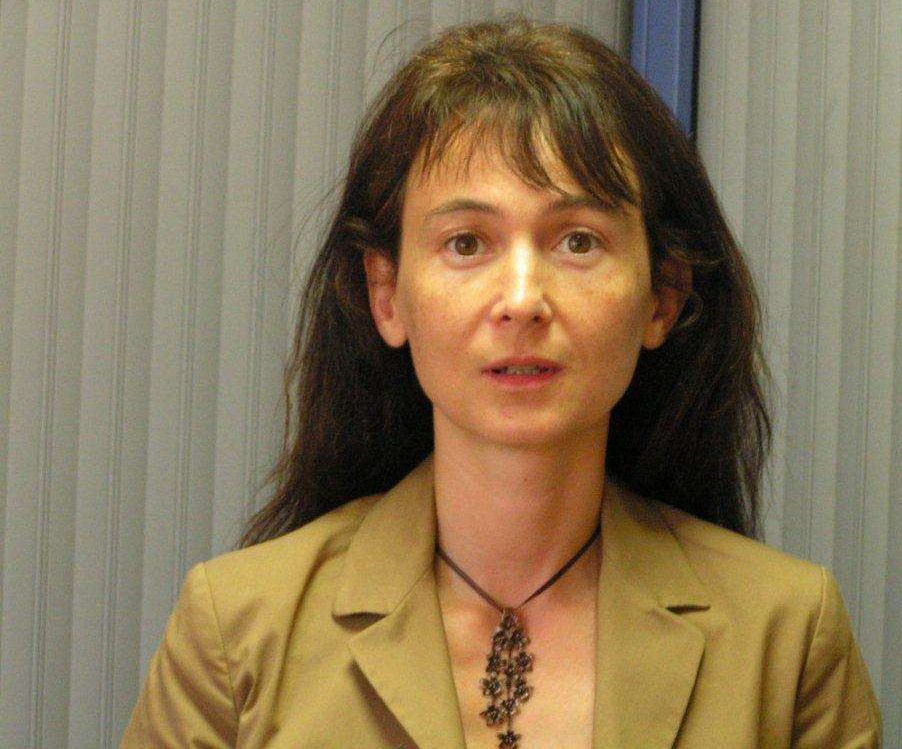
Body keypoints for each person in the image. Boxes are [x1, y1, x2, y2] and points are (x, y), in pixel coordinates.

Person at [121, 13, 883, 749]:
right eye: (466, 243)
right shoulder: (236, 633)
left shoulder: (786, 640)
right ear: (387, 294)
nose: (521, 299)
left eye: (577, 240)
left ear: (664, 295)